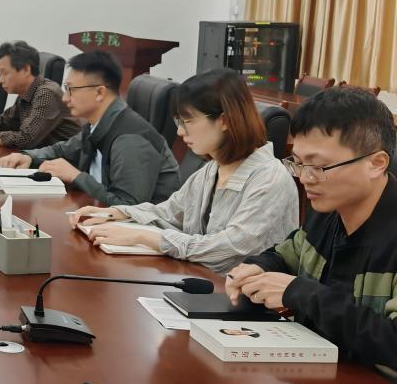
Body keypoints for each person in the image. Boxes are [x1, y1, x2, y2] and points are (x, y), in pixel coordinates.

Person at [225, 87, 397, 369]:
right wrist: (257, 269)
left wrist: (301, 293)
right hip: (317, 378)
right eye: (298, 163)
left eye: (318, 166)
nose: (305, 178)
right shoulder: (326, 211)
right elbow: (285, 255)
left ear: (376, 163)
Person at [72, 68, 299, 272]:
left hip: (240, 297)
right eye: (178, 122)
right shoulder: (212, 169)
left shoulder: (269, 179)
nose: (180, 132)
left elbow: (229, 248)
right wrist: (115, 213)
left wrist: (144, 237)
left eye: (187, 121)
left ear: (224, 120)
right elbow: (170, 212)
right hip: (199, 282)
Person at [1, 51, 180, 206]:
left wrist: (76, 177)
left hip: (140, 230)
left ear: (99, 93)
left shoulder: (130, 140)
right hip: (96, 216)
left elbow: (129, 207)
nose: (65, 98)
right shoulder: (98, 123)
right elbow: (63, 150)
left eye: (71, 90)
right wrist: (27, 157)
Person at [0, 40, 79, 148]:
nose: (0, 80)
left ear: (25, 70)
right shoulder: (26, 92)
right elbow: (4, 122)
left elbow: (26, 138)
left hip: (63, 164)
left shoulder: (47, 93)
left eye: (5, 73)